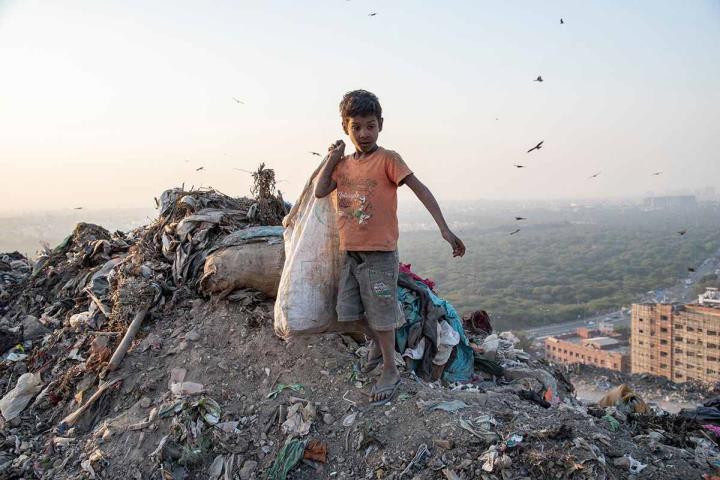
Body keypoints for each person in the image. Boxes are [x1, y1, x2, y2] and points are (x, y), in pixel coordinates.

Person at [314, 90, 465, 405]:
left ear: (380, 125)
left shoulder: (388, 160)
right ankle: (380, 351)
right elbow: (319, 191)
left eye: (370, 126)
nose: (364, 134)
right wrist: (331, 157)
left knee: (382, 314)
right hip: (351, 252)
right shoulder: (342, 166)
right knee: (350, 311)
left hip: (380, 253)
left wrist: (444, 228)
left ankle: (389, 368)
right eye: (356, 127)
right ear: (345, 128)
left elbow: (420, 189)